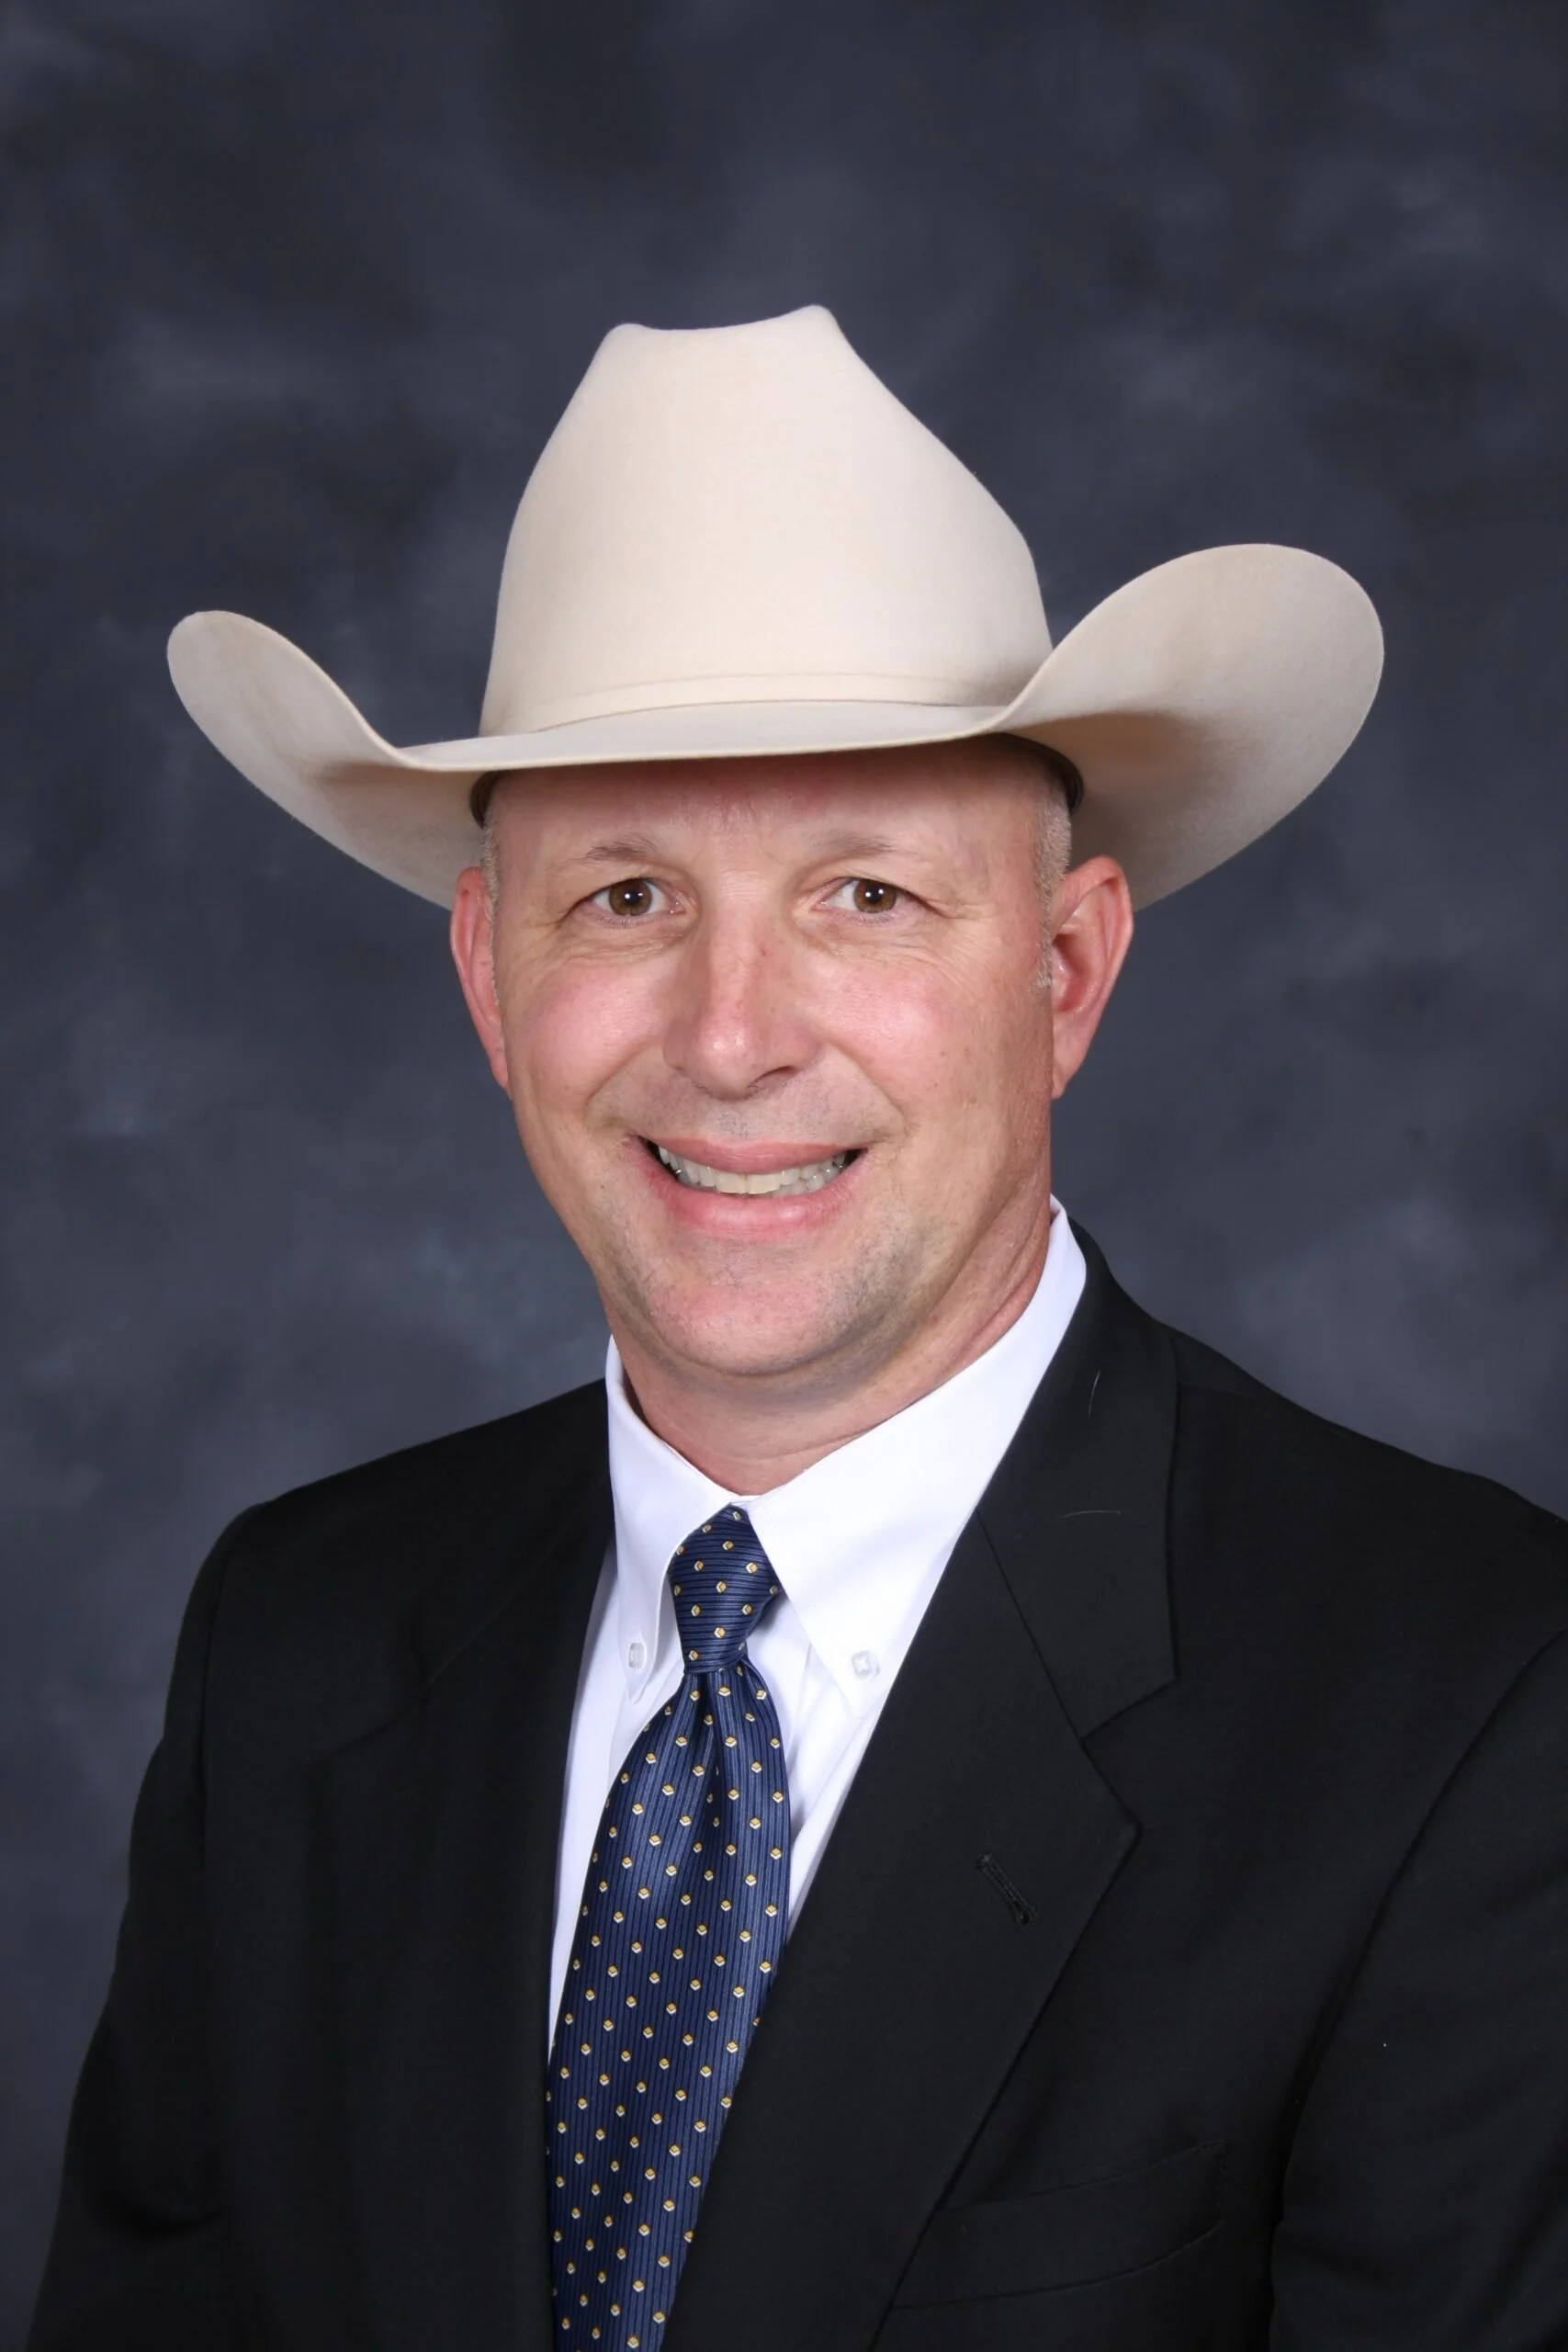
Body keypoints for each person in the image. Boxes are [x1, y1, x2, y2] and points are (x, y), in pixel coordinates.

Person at [28, 307, 1568, 2352]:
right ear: (491, 974)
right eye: (628, 899)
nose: (733, 1036)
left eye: (864, 895)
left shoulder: (1468, 1701)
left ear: (1066, 971)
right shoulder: (296, 1637)